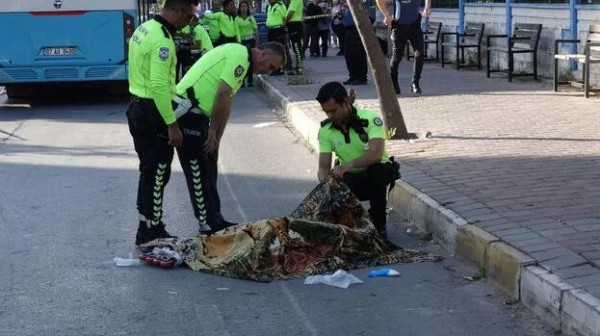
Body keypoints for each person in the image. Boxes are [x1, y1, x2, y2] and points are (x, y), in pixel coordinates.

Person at [173, 42, 287, 233]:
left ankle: (215, 219)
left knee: (210, 166)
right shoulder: (240, 56)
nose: (269, 72)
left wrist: (217, 136)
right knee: (198, 171)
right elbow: (223, 93)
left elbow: (227, 101)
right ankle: (207, 225)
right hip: (186, 113)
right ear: (263, 54)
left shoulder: (242, 62)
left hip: (198, 116)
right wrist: (212, 130)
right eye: (271, 66)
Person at [126, 0, 197, 246]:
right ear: (176, 11)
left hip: (137, 107)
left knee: (148, 171)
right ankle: (152, 231)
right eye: (188, 17)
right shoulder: (162, 41)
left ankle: (145, 226)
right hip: (152, 112)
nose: (189, 23)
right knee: (158, 173)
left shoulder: (144, 28)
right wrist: (172, 124)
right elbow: (157, 85)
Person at [315, 82, 399, 238]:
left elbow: (376, 154)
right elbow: (323, 167)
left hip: (375, 172)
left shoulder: (369, 118)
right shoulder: (326, 131)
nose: (330, 116)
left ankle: (379, 223)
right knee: (334, 189)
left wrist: (348, 165)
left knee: (378, 172)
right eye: (326, 112)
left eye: (333, 111)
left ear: (346, 102)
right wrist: (325, 184)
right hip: (351, 178)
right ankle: (354, 225)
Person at [376, 0, 431, 94]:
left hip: (415, 26)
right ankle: (394, 83)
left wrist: (427, 7)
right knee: (397, 56)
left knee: (419, 54)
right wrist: (387, 15)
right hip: (399, 26)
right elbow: (379, 1)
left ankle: (415, 83)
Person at [341, 0, 373, 85]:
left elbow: (362, 7)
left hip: (358, 28)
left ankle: (361, 77)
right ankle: (353, 76)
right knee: (349, 54)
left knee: (358, 54)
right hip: (349, 29)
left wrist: (349, 5)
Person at [235, 0, 259, 86]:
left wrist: (256, 44)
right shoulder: (237, 19)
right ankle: (241, 81)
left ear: (248, 8)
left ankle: (250, 80)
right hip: (242, 42)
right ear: (239, 8)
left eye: (245, 6)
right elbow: (237, 31)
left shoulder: (251, 18)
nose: (244, 8)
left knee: (250, 61)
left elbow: (256, 31)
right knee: (241, 62)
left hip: (251, 41)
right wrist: (239, 43)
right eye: (242, 7)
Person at [265, 0, 289, 75]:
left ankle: (279, 69)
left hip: (278, 29)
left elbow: (285, 17)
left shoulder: (280, 5)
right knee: (270, 50)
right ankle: (273, 68)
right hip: (270, 30)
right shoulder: (269, 6)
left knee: (278, 50)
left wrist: (284, 29)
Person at [283, 0, 303, 74]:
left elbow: (291, 12)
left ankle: (299, 67)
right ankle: (299, 65)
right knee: (296, 46)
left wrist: (285, 22)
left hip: (295, 24)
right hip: (294, 24)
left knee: (296, 46)